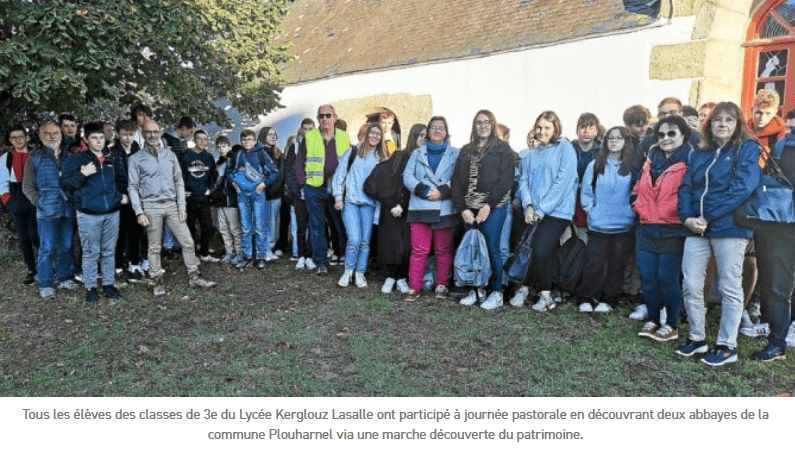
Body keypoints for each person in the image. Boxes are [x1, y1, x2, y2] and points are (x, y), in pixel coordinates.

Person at [678, 102, 761, 366]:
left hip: (730, 228)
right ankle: (697, 337)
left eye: (729, 120)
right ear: (709, 124)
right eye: (717, 120)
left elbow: (742, 188)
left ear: (738, 125)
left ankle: (727, 345)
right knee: (691, 283)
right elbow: (686, 188)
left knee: (729, 285)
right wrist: (688, 217)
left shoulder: (746, 148)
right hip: (697, 228)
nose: (722, 124)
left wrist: (708, 216)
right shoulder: (700, 153)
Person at [127, 120, 216, 296]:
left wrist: (181, 205)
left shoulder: (170, 155)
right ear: (143, 134)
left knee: (188, 242)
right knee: (154, 247)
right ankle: (157, 281)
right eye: (148, 132)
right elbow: (132, 187)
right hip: (150, 207)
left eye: (155, 132)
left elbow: (178, 181)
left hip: (172, 205)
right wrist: (139, 211)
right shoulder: (135, 158)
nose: (152, 136)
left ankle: (194, 277)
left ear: (161, 132)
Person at [510, 111, 577, 311]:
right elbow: (524, 181)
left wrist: (541, 209)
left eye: (547, 127)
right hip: (534, 211)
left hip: (557, 212)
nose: (542, 131)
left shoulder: (565, 148)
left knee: (539, 249)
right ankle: (537, 292)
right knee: (537, 249)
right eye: (539, 127)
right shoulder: (533, 152)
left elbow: (562, 183)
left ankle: (535, 290)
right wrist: (529, 206)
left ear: (556, 128)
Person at [633, 115, 692, 341]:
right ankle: (654, 319)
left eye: (671, 133)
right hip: (647, 226)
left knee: (667, 277)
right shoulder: (650, 159)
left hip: (672, 228)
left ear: (683, 135)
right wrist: (635, 202)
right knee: (648, 277)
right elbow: (639, 186)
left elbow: (689, 193)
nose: (665, 138)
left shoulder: (689, 160)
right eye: (661, 134)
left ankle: (672, 324)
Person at [452, 110, 515, 309]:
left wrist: (489, 204)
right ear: (474, 126)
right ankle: (475, 289)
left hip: (493, 207)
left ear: (493, 124)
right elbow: (456, 183)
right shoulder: (465, 150)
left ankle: (496, 292)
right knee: (472, 248)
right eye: (479, 122)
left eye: (487, 122)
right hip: (469, 208)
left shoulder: (503, 149)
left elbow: (505, 180)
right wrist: (463, 208)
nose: (483, 126)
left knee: (492, 247)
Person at [60, 122, 125, 304]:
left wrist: (119, 196)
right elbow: (65, 184)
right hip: (88, 214)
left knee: (108, 251)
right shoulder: (77, 159)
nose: (98, 141)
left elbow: (120, 180)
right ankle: (90, 287)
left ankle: (109, 284)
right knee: (90, 252)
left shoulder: (111, 157)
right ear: (86, 140)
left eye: (101, 137)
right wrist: (83, 173)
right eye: (94, 138)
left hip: (112, 212)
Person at [575, 126, 636, 314]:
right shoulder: (595, 165)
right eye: (611, 138)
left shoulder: (633, 166)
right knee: (594, 263)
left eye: (619, 138)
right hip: (599, 224)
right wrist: (592, 211)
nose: (614, 141)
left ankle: (608, 299)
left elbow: (637, 193)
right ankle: (585, 297)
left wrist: (631, 212)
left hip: (623, 225)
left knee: (617, 265)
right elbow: (585, 192)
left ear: (626, 141)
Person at [402, 116, 459, 301]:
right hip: (420, 205)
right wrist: (424, 190)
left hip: (444, 206)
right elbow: (407, 176)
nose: (437, 131)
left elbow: (459, 177)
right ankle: (414, 286)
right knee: (419, 250)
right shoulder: (417, 153)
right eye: (433, 127)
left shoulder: (455, 154)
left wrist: (442, 192)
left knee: (443, 249)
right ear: (428, 131)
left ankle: (442, 284)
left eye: (441, 128)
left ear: (446, 132)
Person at [753, 107, 795, 360]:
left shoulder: (782, 146)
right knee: (777, 282)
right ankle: (778, 338)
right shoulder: (783, 146)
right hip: (781, 223)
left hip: (779, 222)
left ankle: (778, 339)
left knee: (777, 282)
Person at [365, 123, 426, 294]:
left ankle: (401, 277)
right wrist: (392, 204)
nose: (423, 139)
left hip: (411, 208)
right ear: (413, 136)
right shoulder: (400, 156)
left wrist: (404, 205)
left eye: (425, 136)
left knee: (407, 245)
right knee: (390, 243)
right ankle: (390, 276)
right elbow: (384, 180)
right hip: (391, 206)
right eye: (420, 135)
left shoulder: (424, 159)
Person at [22, 122, 78, 299]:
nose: (52, 136)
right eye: (47, 133)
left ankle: (64, 278)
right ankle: (45, 283)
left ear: (61, 134)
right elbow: (27, 186)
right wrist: (39, 201)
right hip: (46, 211)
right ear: (40, 136)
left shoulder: (70, 157)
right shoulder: (34, 158)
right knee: (46, 248)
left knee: (66, 246)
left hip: (68, 209)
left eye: (55, 133)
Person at [295, 105, 351, 276]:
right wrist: (303, 184)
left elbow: (348, 165)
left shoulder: (343, 138)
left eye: (328, 115)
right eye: (321, 116)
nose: (324, 119)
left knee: (340, 225)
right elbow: (299, 163)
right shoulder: (310, 136)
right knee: (317, 227)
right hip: (314, 189)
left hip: (336, 190)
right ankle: (321, 262)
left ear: (334, 117)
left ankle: (346, 258)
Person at [333, 123, 387, 288]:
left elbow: (384, 184)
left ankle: (360, 272)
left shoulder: (382, 157)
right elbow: (340, 174)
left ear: (381, 137)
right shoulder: (353, 152)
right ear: (366, 133)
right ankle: (348, 270)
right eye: (372, 133)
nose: (374, 136)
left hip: (370, 204)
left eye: (378, 134)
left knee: (364, 241)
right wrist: (338, 197)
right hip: (351, 202)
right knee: (354, 239)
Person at [228, 129, 279, 270]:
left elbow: (274, 173)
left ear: (255, 140)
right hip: (242, 194)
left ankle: (261, 257)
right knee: (245, 227)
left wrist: (264, 184)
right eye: (244, 140)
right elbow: (230, 172)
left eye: (250, 139)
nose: (247, 142)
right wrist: (234, 184)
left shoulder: (262, 153)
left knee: (260, 227)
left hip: (257, 194)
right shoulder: (238, 154)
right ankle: (248, 256)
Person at [0, 125, 39, 285]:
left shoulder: (36, 154)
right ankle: (31, 269)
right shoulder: (5, 158)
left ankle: (45, 266)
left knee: (37, 235)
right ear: (10, 140)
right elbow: (2, 181)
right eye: (14, 137)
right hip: (17, 196)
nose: (18, 140)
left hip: (35, 195)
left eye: (20, 137)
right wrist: (8, 200)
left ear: (27, 138)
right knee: (24, 238)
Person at [111, 119, 145, 281]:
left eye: (131, 134)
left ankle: (134, 264)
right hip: (120, 199)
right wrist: (119, 195)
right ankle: (117, 267)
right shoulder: (112, 152)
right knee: (118, 234)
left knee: (135, 232)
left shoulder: (137, 149)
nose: (128, 138)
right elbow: (110, 178)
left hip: (136, 197)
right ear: (118, 134)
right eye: (124, 134)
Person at [285, 118, 316, 271]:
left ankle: (310, 256)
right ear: (301, 130)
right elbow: (289, 171)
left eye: (311, 129)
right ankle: (301, 256)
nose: (308, 132)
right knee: (301, 226)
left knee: (313, 225)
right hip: (299, 193)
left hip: (313, 193)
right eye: (305, 129)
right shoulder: (295, 146)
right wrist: (296, 190)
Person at [182, 129, 218, 262]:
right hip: (189, 197)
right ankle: (192, 255)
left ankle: (204, 252)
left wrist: (210, 189)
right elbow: (178, 174)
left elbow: (213, 176)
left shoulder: (209, 157)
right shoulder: (186, 155)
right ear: (194, 140)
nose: (202, 141)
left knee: (207, 226)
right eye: (199, 139)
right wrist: (182, 191)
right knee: (189, 227)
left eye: (205, 139)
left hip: (203, 196)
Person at [211, 136, 244, 265]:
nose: (221, 149)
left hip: (230, 200)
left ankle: (239, 252)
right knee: (223, 228)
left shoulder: (234, 160)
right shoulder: (218, 163)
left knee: (235, 228)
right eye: (219, 147)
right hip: (219, 201)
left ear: (229, 146)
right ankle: (229, 252)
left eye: (224, 146)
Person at [572, 113, 604, 243]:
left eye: (591, 127)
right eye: (583, 127)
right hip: (571, 202)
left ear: (596, 131)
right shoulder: (569, 149)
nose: (586, 131)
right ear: (577, 130)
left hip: (593, 201)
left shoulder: (602, 152)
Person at [258, 126, 284, 261]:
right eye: (269, 134)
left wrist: (274, 190)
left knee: (272, 222)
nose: (273, 137)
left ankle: (270, 248)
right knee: (262, 223)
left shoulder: (278, 154)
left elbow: (281, 175)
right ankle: (263, 250)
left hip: (275, 194)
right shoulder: (258, 153)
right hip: (262, 193)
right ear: (263, 136)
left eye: (274, 134)